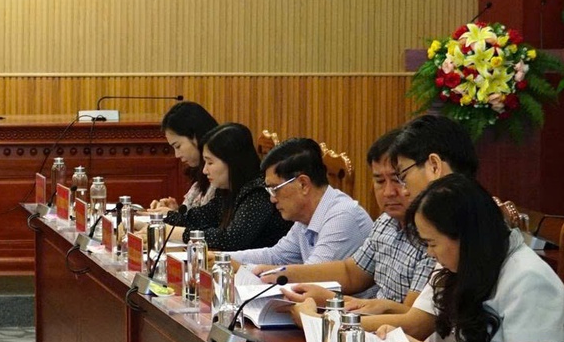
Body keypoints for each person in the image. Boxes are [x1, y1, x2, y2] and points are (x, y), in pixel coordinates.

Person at [378, 175, 564, 342]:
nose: (429, 253)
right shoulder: (469, 266)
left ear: (465, 237)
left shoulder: (529, 280)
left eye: (432, 243)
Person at [273, 130, 439, 307]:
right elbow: (350, 272)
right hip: (366, 319)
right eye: (380, 181)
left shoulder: (432, 236)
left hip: (378, 323)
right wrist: (281, 274)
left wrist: (333, 302)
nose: (389, 192)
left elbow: (411, 317)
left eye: (398, 179)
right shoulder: (385, 222)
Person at [229, 138, 371, 267]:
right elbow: (275, 256)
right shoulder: (305, 217)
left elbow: (311, 275)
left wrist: (241, 268)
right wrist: (221, 259)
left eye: (275, 189)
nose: (272, 199)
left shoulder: (342, 217)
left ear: (303, 184)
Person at [160, 123, 291, 252]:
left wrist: (179, 233)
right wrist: (159, 218)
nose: (204, 170)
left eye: (210, 162)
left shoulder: (258, 192)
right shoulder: (227, 190)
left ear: (232, 162)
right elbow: (198, 218)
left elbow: (231, 239)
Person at [147, 101, 218, 213]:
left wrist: (173, 215)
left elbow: (210, 221)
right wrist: (176, 211)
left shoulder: (221, 178)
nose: (177, 155)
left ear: (195, 136)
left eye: (178, 146)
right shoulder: (200, 177)